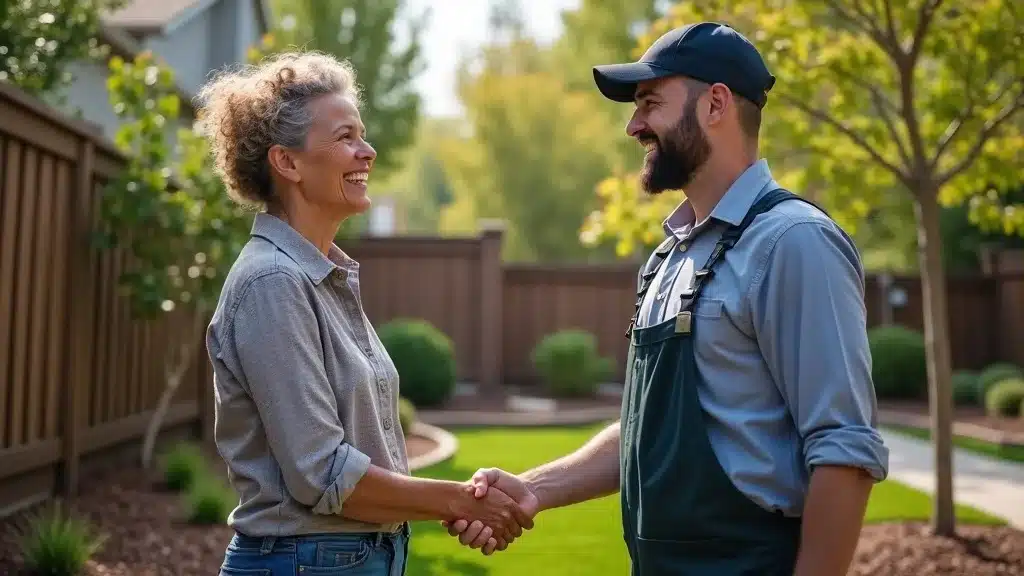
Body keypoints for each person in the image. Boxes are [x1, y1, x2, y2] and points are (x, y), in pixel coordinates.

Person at [446, 21, 890, 575]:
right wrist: (533, 489)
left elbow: (845, 452)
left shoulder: (793, 242)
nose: (634, 125)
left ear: (716, 104)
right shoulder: (670, 257)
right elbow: (645, 429)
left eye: (650, 103)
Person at [200, 51, 531, 576]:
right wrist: (460, 501)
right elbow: (324, 473)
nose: (367, 151)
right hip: (301, 563)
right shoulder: (273, 283)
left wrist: (449, 502)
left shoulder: (321, 276)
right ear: (287, 163)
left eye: (362, 135)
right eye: (345, 137)